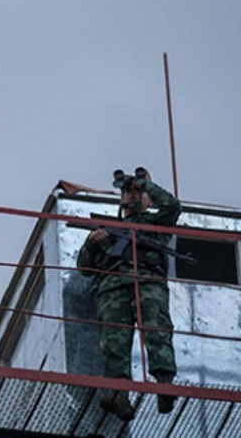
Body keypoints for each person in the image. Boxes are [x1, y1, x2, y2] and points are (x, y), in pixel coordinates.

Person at [77, 167, 180, 420]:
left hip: (148, 283)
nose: (131, 196)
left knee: (156, 331)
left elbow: (173, 206)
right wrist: (93, 242)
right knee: (114, 342)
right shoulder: (109, 227)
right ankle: (117, 394)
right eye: (126, 192)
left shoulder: (156, 223)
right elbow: (84, 268)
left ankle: (164, 383)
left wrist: (146, 185)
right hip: (112, 289)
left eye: (137, 192)